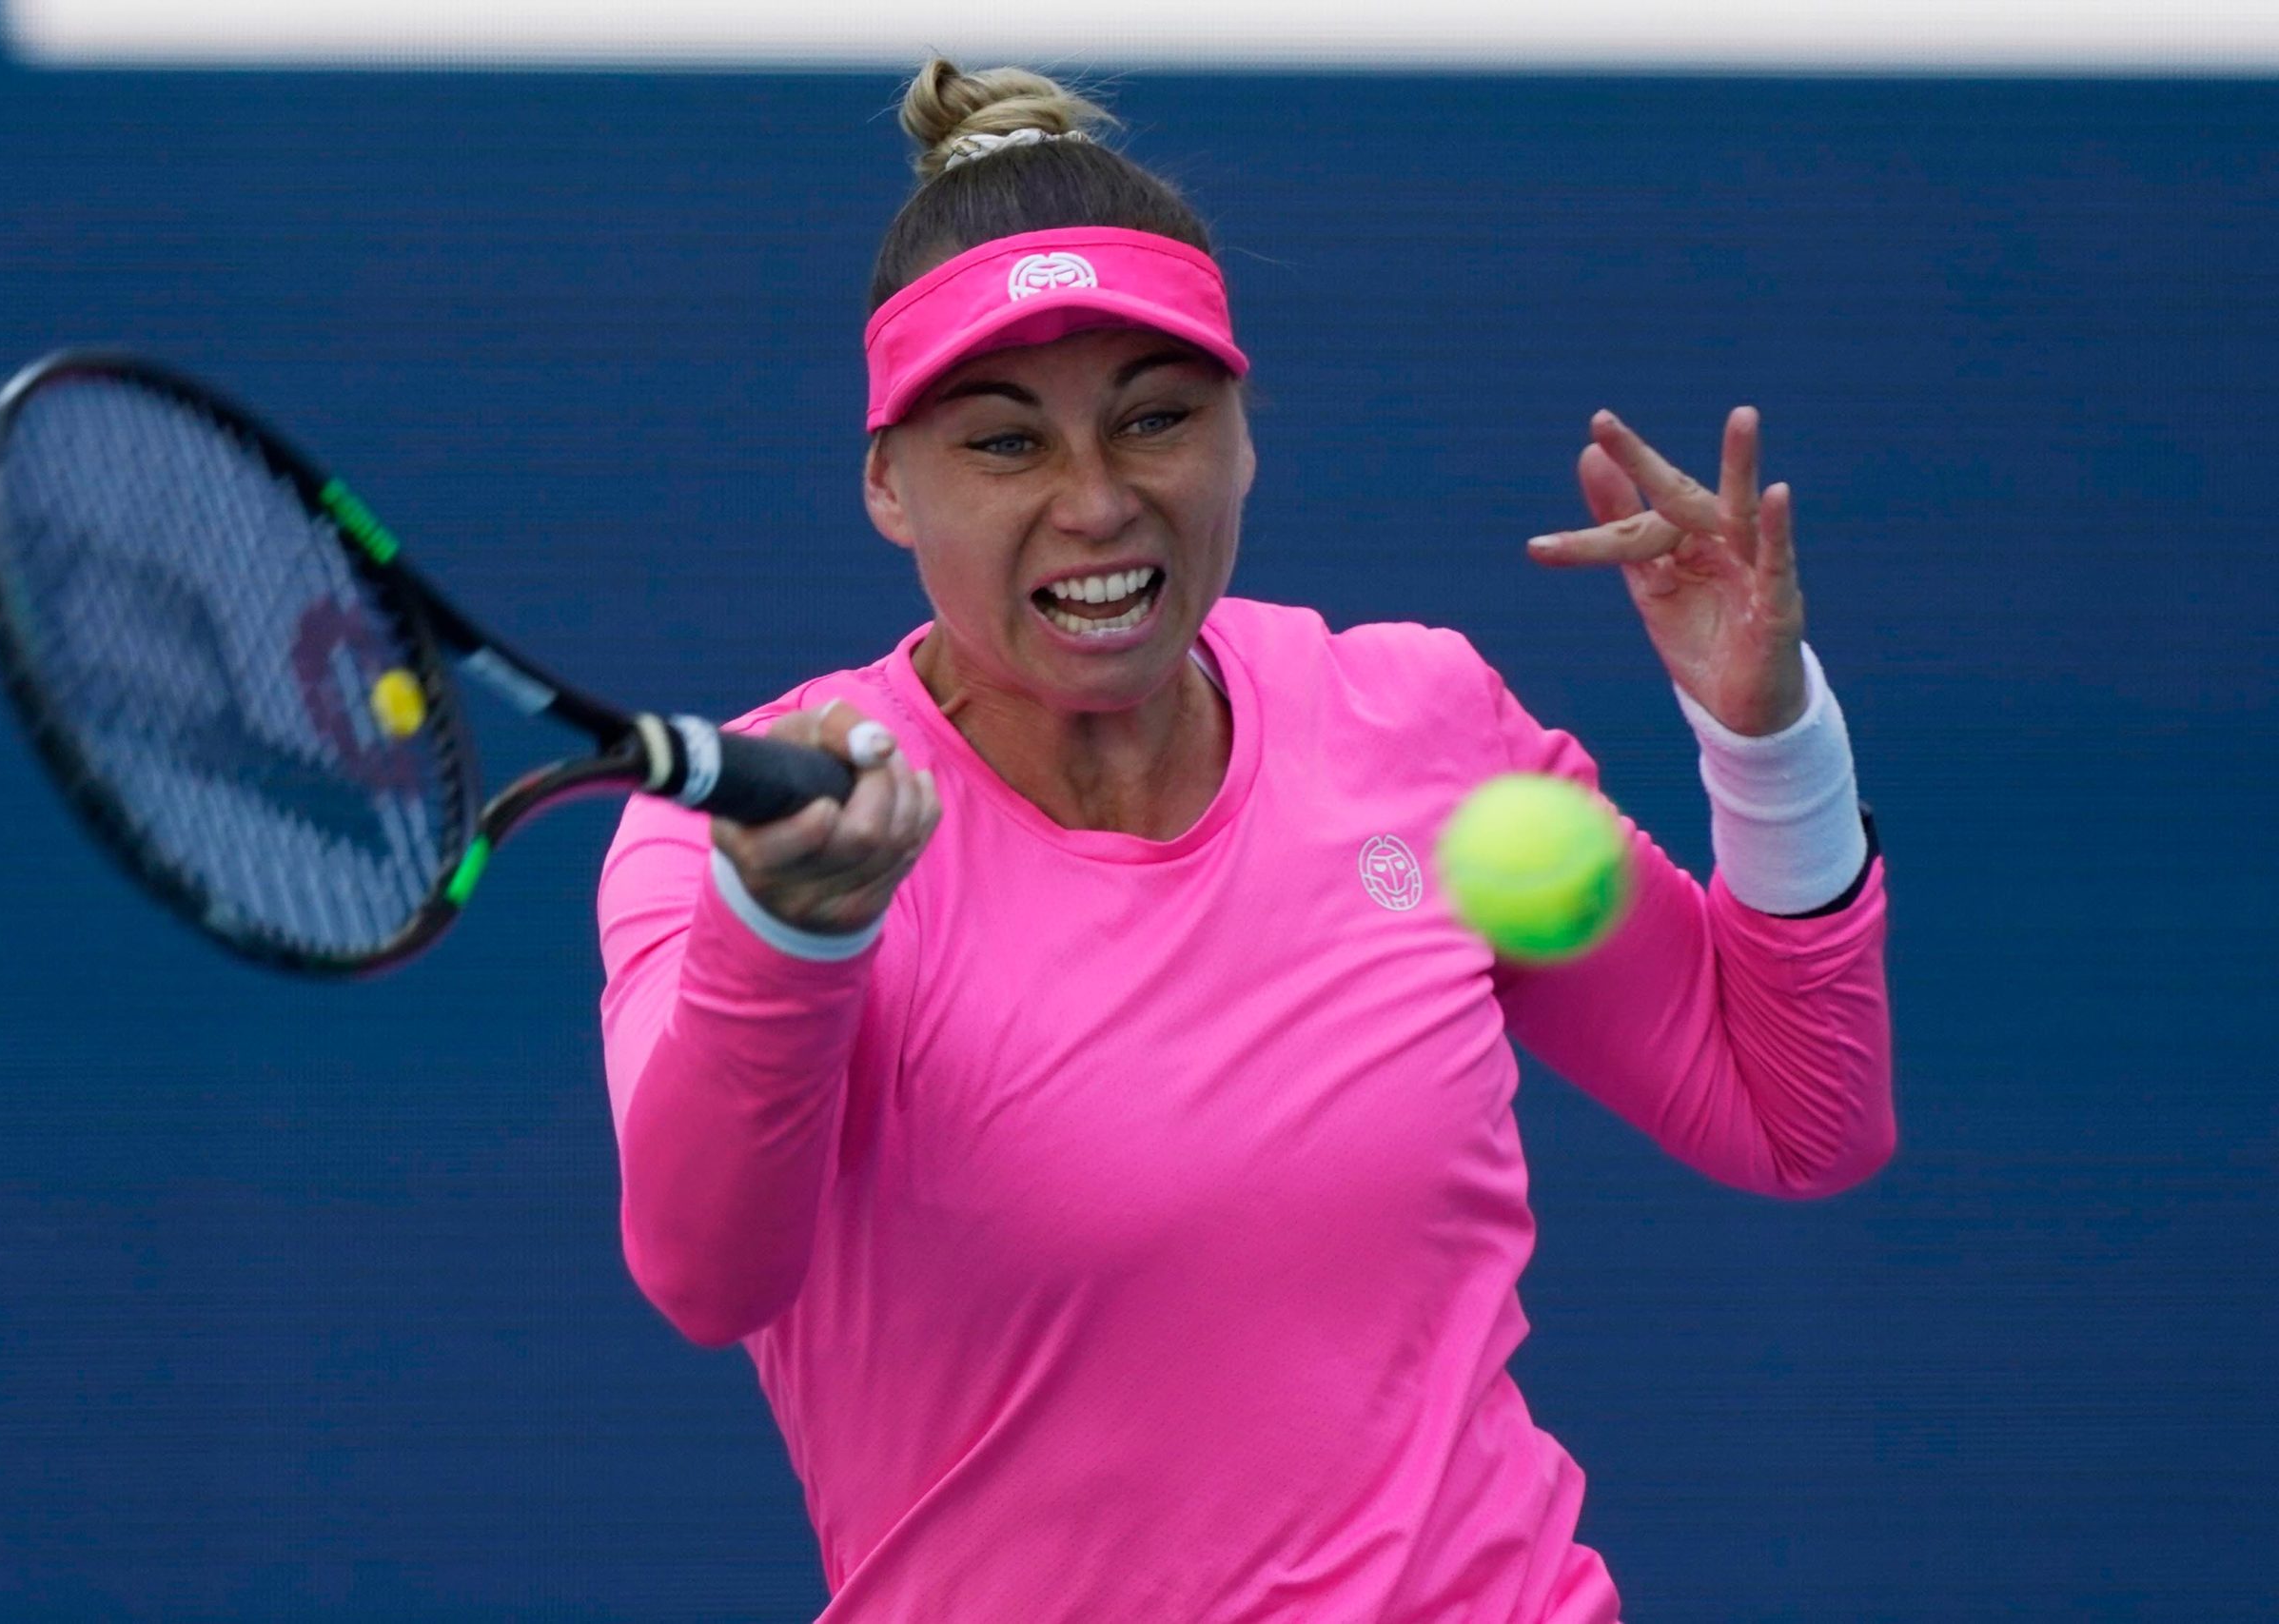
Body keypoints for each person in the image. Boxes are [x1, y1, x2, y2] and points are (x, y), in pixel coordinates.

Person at [597, 58, 1895, 1623]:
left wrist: (1769, 738)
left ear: (1243, 438)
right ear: (888, 483)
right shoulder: (748, 836)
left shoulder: (1423, 722)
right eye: (1005, 444)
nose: (1097, 503)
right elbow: (706, 1275)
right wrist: (791, 934)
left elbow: (1796, 1119)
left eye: (1156, 420)